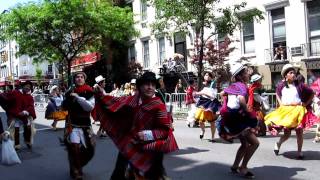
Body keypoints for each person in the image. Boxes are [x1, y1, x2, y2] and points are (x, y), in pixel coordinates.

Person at [94, 71, 178, 180]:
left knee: (153, 175)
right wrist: (101, 95)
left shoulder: (159, 106)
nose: (150, 87)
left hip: (151, 147)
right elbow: (115, 102)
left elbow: (164, 130)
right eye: (147, 84)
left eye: (153, 85)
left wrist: (147, 135)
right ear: (140, 86)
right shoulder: (132, 100)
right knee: (118, 174)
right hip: (129, 143)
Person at [265, 64, 318, 159]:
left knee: (299, 132)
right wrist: (281, 103)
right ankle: (278, 143)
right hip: (286, 112)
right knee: (287, 134)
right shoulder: (281, 86)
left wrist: (305, 104)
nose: (293, 74)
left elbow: (311, 93)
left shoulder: (299, 85)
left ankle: (299, 152)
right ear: (286, 75)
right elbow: (277, 94)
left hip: (298, 110)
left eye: (294, 72)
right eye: (291, 72)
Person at [219, 63, 259, 178]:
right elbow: (241, 99)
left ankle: (235, 166)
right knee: (255, 143)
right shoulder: (242, 86)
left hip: (231, 118)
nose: (248, 74)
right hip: (238, 119)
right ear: (241, 76)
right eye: (246, 72)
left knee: (245, 144)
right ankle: (243, 167)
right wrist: (246, 110)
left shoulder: (233, 86)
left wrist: (226, 104)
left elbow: (222, 93)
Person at [62, 72, 95, 179]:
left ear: (84, 79)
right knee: (74, 148)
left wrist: (78, 98)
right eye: (77, 77)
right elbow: (64, 107)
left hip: (86, 125)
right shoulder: (69, 92)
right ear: (74, 79)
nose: (79, 79)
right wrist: (67, 98)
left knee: (90, 150)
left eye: (81, 77)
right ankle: (77, 171)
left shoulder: (90, 92)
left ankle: (76, 166)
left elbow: (89, 107)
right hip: (73, 125)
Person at [194, 72, 220, 142]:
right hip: (202, 102)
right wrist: (196, 93)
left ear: (211, 77)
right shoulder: (203, 84)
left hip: (210, 104)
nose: (207, 76)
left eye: (208, 75)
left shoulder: (213, 83)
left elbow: (212, 96)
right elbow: (200, 92)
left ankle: (213, 137)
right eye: (206, 75)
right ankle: (203, 131)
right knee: (200, 120)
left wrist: (202, 93)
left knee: (212, 122)